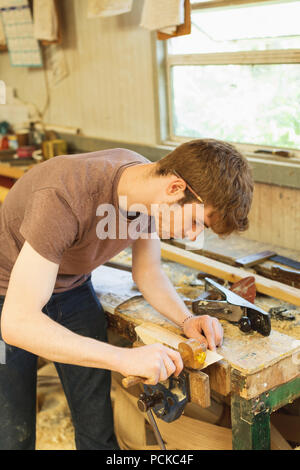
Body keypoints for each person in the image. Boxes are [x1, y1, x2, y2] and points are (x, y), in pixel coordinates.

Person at [0, 139, 253, 450]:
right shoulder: (63, 196)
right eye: (195, 223)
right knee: (12, 431)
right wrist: (123, 358)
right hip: (6, 292)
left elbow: (147, 272)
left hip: (71, 286)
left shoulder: (146, 191)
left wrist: (187, 319)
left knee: (97, 426)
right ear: (175, 188)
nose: (193, 236)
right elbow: (17, 323)